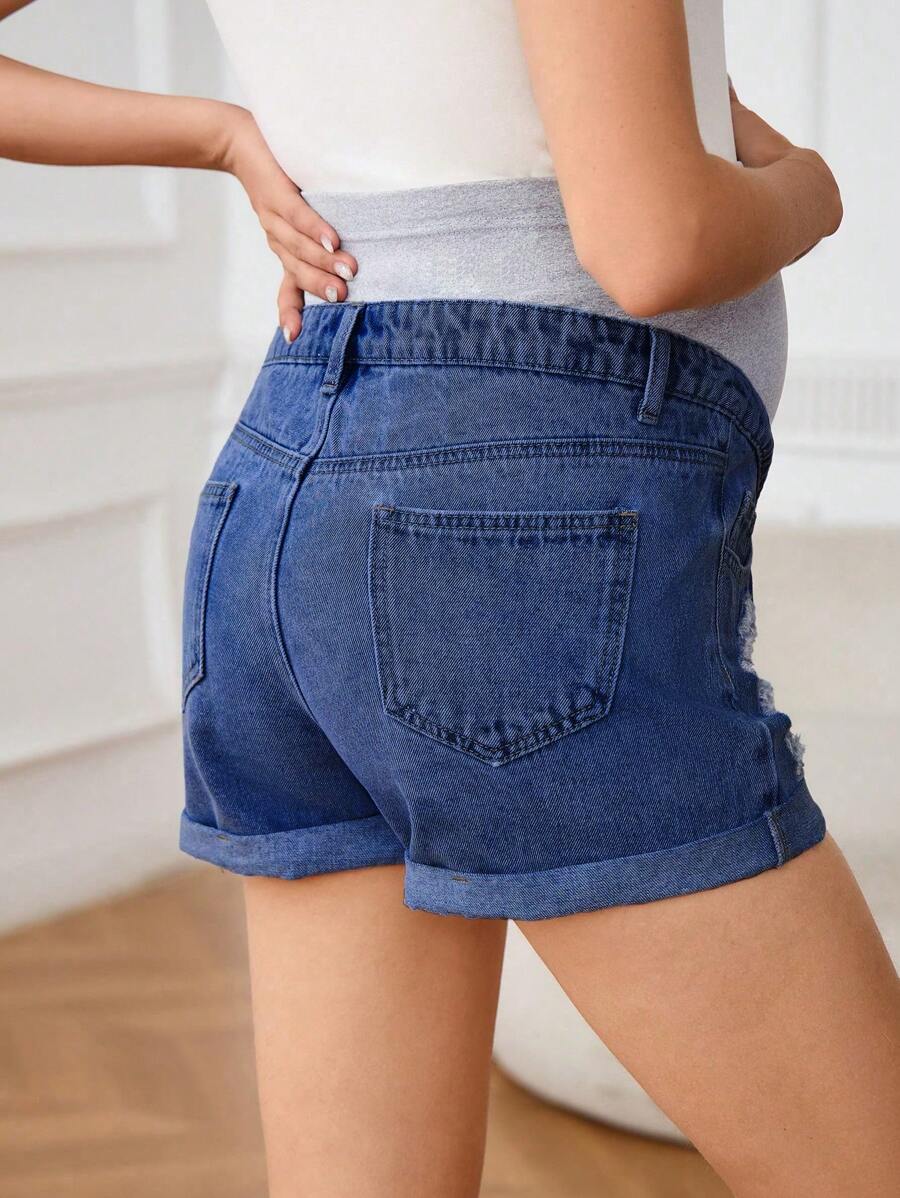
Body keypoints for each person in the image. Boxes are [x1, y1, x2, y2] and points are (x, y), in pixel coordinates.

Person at [2, 3, 898, 1195]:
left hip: (281, 491)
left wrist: (223, 135)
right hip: (511, 530)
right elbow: (656, 243)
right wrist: (809, 191)